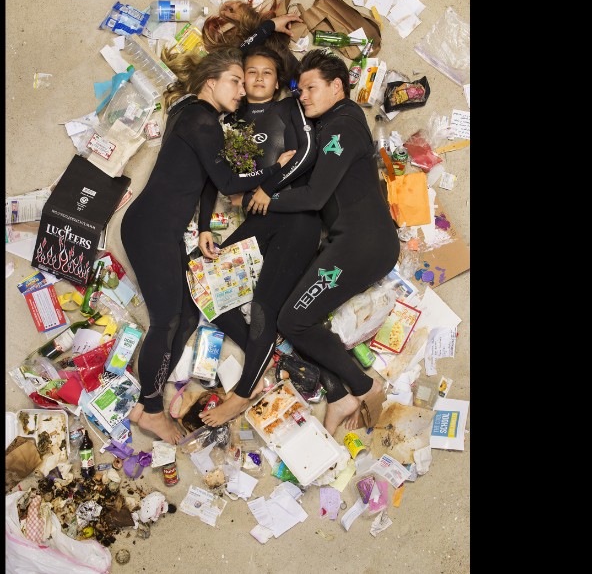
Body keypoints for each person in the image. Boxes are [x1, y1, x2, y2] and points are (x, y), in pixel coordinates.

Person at [120, 47, 294, 444]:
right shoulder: (202, 121)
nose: (242, 90)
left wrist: (202, 228)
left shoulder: (192, 114)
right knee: (167, 321)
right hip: (150, 230)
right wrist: (275, 168)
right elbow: (231, 182)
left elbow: (207, 180)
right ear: (210, 82)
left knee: (184, 317)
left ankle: (149, 396)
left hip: (159, 229)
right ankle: (150, 410)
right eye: (235, 81)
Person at [251, 49, 400, 435]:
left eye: (311, 88)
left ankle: (366, 387)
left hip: (362, 245)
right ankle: (340, 395)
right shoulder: (334, 126)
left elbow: (316, 197)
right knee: (295, 314)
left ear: (338, 87)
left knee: (293, 320)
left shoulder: (342, 125)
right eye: (299, 90)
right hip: (353, 243)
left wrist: (268, 198)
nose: (303, 96)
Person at [194, 47, 323, 427]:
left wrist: (268, 185)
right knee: (199, 275)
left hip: (297, 215)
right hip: (261, 218)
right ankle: (263, 349)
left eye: (268, 72)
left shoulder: (289, 108)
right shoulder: (225, 118)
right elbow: (209, 177)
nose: (260, 78)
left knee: (266, 301)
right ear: (239, 78)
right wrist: (204, 225)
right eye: (252, 72)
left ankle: (244, 390)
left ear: (278, 80)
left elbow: (308, 153)